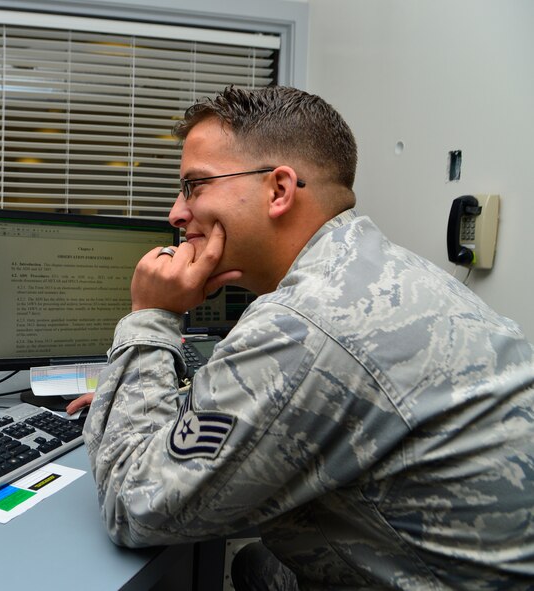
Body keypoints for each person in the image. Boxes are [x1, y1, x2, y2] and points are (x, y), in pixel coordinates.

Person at [75, 85, 534, 589]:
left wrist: (151, 313)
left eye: (194, 186)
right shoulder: (372, 272)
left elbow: (132, 504)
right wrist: (155, 394)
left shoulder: (306, 322)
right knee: (255, 564)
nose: (176, 214)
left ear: (279, 190)